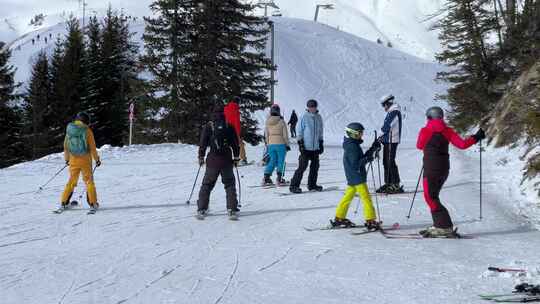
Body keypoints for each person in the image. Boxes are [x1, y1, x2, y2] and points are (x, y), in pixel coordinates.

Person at [416, 106, 485, 237]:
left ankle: (444, 226)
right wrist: (476, 137)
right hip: (443, 169)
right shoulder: (447, 131)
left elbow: (419, 145)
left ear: (429, 117)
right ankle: (440, 224)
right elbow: (462, 145)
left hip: (431, 169)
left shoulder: (425, 130)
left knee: (430, 197)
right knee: (433, 196)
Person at [330, 122, 381, 229]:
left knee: (348, 196)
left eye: (361, 133)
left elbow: (360, 158)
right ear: (352, 134)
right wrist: (368, 158)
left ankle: (339, 217)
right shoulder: (352, 147)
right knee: (366, 197)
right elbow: (356, 164)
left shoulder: (352, 144)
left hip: (353, 176)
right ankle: (370, 220)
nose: (361, 136)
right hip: (357, 176)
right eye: (359, 134)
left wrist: (372, 148)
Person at [197, 105, 240, 220]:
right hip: (226, 160)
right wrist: (236, 157)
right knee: (229, 184)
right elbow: (235, 144)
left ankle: (202, 209)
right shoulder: (228, 126)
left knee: (207, 184)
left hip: (212, 160)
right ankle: (232, 209)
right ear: (223, 113)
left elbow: (203, 144)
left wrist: (201, 157)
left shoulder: (209, 126)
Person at [58, 112, 101, 213]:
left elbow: (66, 145)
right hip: (85, 160)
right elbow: (92, 148)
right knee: (89, 182)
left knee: (71, 181)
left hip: (73, 159)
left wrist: (67, 159)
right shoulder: (87, 131)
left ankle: (64, 202)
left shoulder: (70, 130)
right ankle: (93, 203)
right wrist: (97, 159)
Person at [289, 99, 324, 193]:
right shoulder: (303, 117)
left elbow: (320, 131)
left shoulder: (319, 117)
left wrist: (321, 142)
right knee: (302, 167)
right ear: (308, 107)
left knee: (315, 167)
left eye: (314, 106)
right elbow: (299, 132)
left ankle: (312, 185)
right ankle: (294, 186)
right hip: (306, 147)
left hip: (315, 148)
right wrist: (300, 144)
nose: (312, 108)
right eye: (310, 107)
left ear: (316, 107)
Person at [377, 94, 403, 194]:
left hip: (392, 140)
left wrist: (380, 134)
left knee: (390, 162)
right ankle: (388, 182)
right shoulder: (392, 112)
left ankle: (395, 184)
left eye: (384, 105)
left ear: (388, 103)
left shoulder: (394, 112)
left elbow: (387, 126)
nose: (384, 107)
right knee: (386, 161)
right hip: (388, 140)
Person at [263, 104, 290, 186]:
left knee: (272, 160)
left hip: (271, 144)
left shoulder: (267, 122)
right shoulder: (281, 121)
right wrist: (287, 144)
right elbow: (285, 135)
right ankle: (279, 178)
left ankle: (266, 177)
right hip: (281, 144)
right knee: (281, 160)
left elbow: (266, 134)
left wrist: (268, 144)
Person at [224, 96, 248, 165]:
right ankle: (243, 159)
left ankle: (225, 159)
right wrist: (238, 133)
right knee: (240, 144)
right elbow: (236, 122)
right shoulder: (236, 110)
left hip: (226, 130)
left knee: (227, 145)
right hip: (234, 130)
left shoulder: (226, 108)